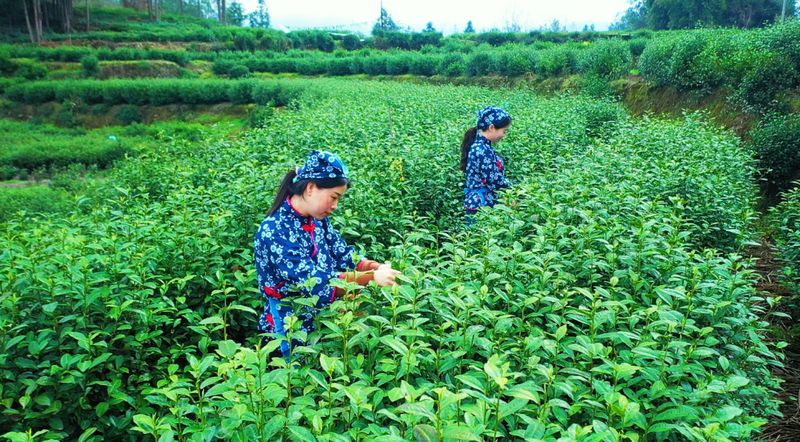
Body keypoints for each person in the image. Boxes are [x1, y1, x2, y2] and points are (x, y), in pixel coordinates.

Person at [254, 150, 401, 359]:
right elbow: (314, 283)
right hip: (288, 329)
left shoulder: (317, 220)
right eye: (334, 197)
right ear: (311, 188)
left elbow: (344, 255)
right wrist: (371, 279)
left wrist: (374, 267)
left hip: (324, 323)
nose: (335, 206)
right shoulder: (276, 230)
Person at [461, 105, 512, 225]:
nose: (504, 135)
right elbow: (495, 181)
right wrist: (514, 190)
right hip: (481, 207)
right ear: (491, 127)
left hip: (481, 205)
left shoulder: (483, 147)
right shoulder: (482, 149)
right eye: (504, 131)